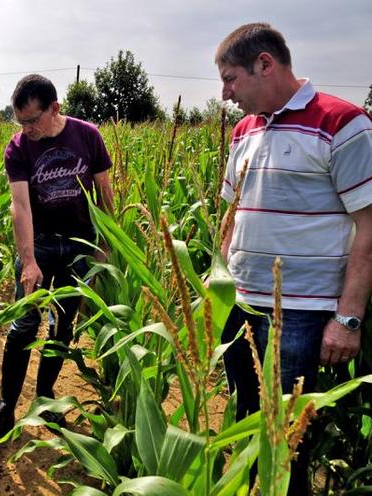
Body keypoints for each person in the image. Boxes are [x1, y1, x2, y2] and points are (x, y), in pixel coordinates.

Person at [217, 23, 372, 494]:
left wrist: (347, 318)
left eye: (230, 79)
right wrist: (217, 281)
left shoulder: (342, 123)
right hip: (240, 303)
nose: (224, 94)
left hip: (300, 313)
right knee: (246, 417)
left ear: (265, 63)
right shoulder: (244, 130)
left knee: (286, 437)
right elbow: (233, 210)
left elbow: (369, 225)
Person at [0, 74, 114, 441]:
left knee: (62, 325)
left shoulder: (87, 136)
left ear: (55, 108)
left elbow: (105, 193)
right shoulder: (19, 147)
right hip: (38, 242)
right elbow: (20, 207)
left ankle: (45, 399)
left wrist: (104, 246)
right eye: (19, 121)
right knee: (24, 322)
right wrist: (29, 261)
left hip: (80, 244)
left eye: (32, 120)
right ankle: (6, 405)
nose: (26, 128)